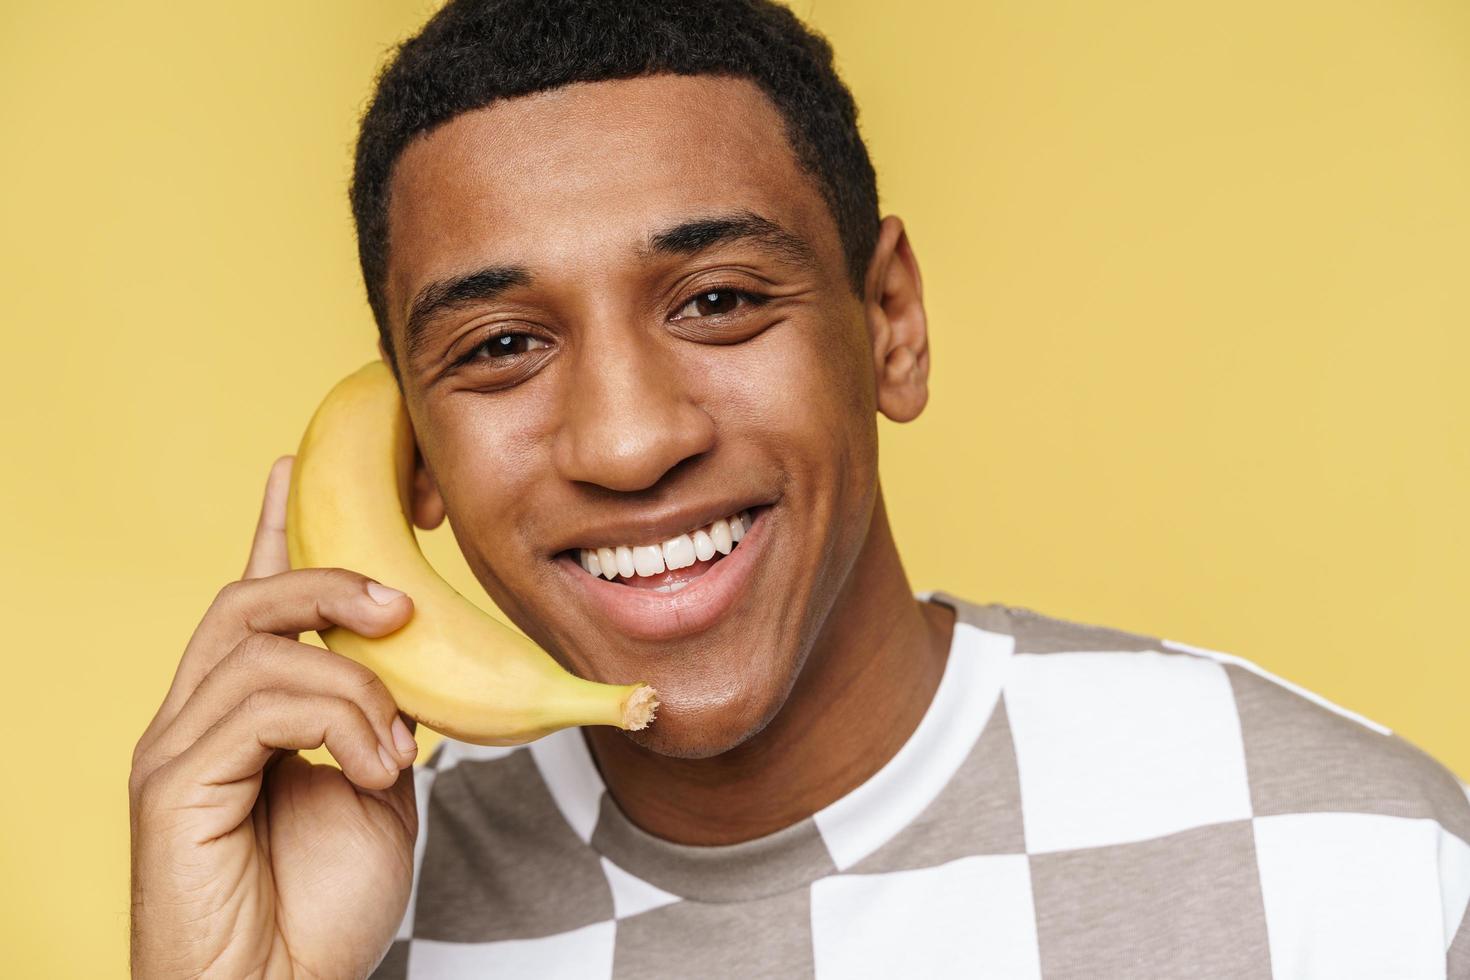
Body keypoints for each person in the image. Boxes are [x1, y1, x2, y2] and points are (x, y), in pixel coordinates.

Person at [128, 1, 1470, 976]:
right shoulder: (341, 924)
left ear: (887, 320)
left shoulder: (1341, 855)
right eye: (500, 348)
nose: (628, 440)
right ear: (412, 452)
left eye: (716, 300)